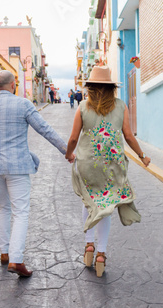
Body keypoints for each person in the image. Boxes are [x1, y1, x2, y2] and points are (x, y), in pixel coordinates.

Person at [0, 70, 75, 277]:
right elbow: (44, 129)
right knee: (20, 211)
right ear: (13, 85)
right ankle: (16, 260)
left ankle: (4, 253)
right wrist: (67, 151)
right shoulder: (23, 104)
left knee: (3, 207)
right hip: (17, 167)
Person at [65, 66, 151, 277]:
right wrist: (142, 156)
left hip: (87, 164)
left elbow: (74, 138)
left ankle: (88, 247)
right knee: (106, 204)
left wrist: (69, 154)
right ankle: (101, 254)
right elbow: (129, 136)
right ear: (111, 88)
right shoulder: (121, 106)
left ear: (91, 88)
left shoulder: (83, 107)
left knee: (89, 201)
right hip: (112, 165)